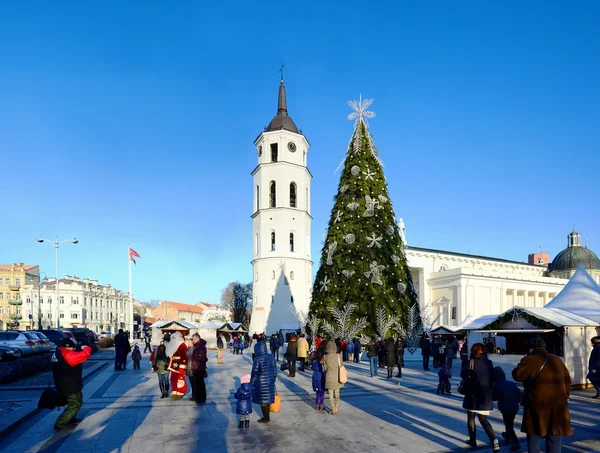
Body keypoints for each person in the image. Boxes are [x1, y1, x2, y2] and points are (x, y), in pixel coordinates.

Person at [512, 338, 572, 453]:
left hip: (537, 405)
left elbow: (518, 376)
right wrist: (565, 397)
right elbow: (567, 381)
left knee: (534, 435)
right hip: (558, 406)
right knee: (554, 436)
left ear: (530, 348)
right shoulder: (556, 359)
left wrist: (518, 367)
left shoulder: (529, 360)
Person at [461, 342, 499, 451]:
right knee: (483, 420)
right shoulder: (489, 363)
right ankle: (494, 440)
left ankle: (472, 440)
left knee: (471, 418)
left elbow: (463, 375)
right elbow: (493, 377)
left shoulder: (470, 362)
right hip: (485, 395)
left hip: (472, 394)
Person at [51, 338, 92, 430]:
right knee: (75, 403)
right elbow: (86, 355)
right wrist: (86, 348)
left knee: (73, 402)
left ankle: (70, 418)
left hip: (62, 383)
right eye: (72, 348)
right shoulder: (68, 355)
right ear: (68, 347)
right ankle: (61, 422)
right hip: (70, 384)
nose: (74, 350)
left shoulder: (58, 353)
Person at [492, 366, 522, 452]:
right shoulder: (511, 383)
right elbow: (518, 394)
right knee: (509, 422)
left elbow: (494, 397)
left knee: (509, 425)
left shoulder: (496, 385)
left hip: (505, 408)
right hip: (514, 407)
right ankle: (507, 435)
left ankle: (515, 443)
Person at [251, 340, 277, 423]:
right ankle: (267, 416)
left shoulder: (257, 358)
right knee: (267, 399)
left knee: (263, 401)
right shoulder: (271, 356)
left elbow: (255, 372)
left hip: (261, 382)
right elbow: (275, 370)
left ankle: (266, 418)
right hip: (270, 381)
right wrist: (273, 379)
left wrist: (252, 383)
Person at [323, 340, 344, 415]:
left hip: (329, 376)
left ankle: (332, 408)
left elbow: (325, 368)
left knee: (331, 394)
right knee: (337, 393)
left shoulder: (325, 357)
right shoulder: (338, 356)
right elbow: (341, 365)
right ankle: (336, 407)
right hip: (338, 376)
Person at [165, 331, 188, 400]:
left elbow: (184, 357)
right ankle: (174, 391)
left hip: (179, 364)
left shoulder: (182, 345)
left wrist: (182, 367)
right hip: (173, 365)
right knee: (173, 379)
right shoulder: (172, 346)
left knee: (180, 379)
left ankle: (180, 392)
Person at [191, 333, 208, 404]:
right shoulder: (198, 346)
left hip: (199, 369)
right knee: (199, 383)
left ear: (198, 339)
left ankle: (200, 398)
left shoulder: (200, 347)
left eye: (194, 339)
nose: (193, 340)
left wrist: (196, 367)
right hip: (198, 368)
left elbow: (201, 359)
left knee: (199, 384)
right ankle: (200, 398)